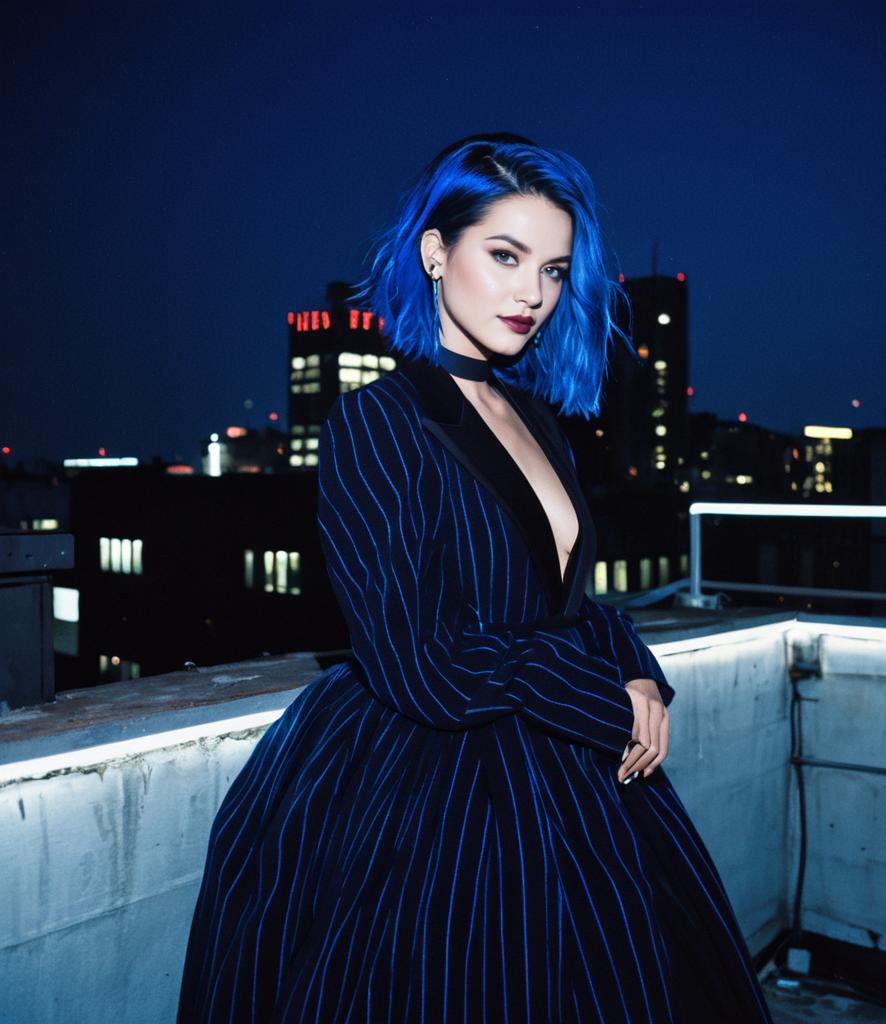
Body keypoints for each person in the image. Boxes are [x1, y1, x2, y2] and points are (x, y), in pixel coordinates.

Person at [177, 131, 774, 1023]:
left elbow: (565, 598)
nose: (533, 293)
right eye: (505, 256)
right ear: (434, 252)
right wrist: (604, 698)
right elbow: (418, 658)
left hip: (563, 755)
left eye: (555, 270)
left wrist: (638, 668)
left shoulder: (540, 415)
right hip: (431, 773)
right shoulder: (376, 422)